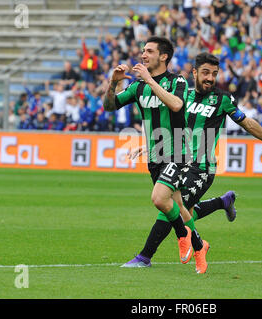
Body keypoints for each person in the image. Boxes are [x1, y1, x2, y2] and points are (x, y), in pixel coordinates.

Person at [123, 53, 262, 274]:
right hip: (180, 161)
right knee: (183, 210)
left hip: (202, 168)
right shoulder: (185, 96)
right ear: (194, 73)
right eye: (205, 72)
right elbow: (177, 132)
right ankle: (222, 202)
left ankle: (145, 256)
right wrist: (151, 148)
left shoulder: (223, 99)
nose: (210, 78)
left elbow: (248, 123)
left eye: (214, 74)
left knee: (169, 206)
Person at [103, 36, 199, 269]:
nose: (143, 55)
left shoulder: (178, 82)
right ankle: (199, 245)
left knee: (159, 199)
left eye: (149, 51)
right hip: (155, 156)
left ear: (163, 56)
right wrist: (113, 83)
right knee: (178, 207)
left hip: (178, 152)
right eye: (143, 51)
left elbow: (176, 105)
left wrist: (149, 79)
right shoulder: (138, 87)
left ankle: (181, 237)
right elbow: (109, 106)